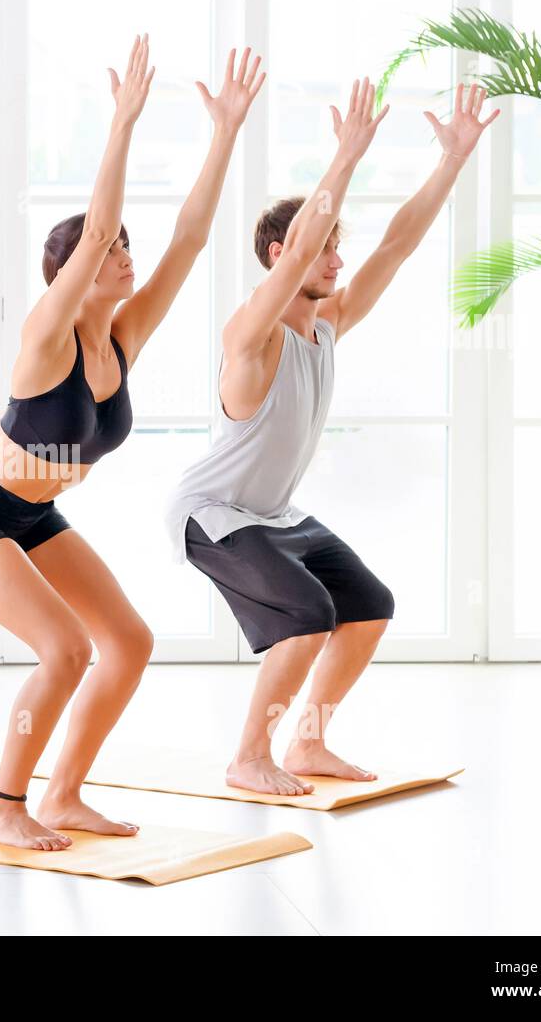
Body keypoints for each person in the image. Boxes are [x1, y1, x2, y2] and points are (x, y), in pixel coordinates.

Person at [0, 36, 265, 850]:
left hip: (31, 516)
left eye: (122, 248)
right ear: (72, 268)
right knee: (64, 648)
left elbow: (187, 239)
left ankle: (64, 793)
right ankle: (6, 803)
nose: (124, 253)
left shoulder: (122, 337)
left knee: (128, 642)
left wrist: (223, 134)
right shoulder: (47, 337)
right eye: (108, 249)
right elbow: (101, 218)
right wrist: (123, 124)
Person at [164, 80, 498, 797]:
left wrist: (451, 163)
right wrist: (345, 158)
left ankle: (308, 741)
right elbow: (297, 260)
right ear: (285, 253)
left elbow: (399, 245)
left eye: (337, 254)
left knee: (369, 603)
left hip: (274, 514)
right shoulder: (250, 337)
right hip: (212, 514)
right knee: (307, 615)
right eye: (324, 253)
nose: (338, 263)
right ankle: (249, 755)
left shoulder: (327, 325)